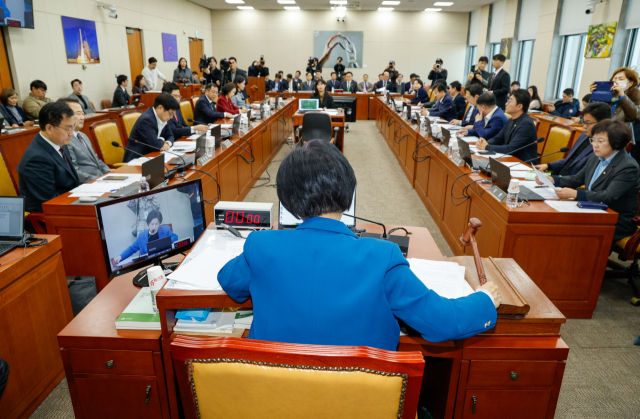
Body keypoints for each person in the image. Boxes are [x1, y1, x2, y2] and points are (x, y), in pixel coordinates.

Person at [218, 140, 500, 351]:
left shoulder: (261, 245)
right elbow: (444, 322)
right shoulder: (383, 255)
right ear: (347, 190)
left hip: (273, 400)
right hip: (361, 404)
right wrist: (485, 298)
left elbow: (229, 282)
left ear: (288, 199)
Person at [540, 120, 640, 245]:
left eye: (600, 141)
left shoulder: (628, 166)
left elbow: (608, 196)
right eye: (593, 140)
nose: (595, 145)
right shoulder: (596, 157)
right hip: (592, 210)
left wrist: (575, 194)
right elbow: (577, 179)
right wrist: (553, 179)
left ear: (616, 142)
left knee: (569, 230)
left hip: (616, 219)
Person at [17, 102, 79, 212]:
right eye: (68, 128)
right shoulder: (36, 159)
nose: (72, 134)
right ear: (49, 128)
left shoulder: (59, 142)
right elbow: (50, 202)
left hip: (68, 203)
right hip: (47, 219)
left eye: (73, 127)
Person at [536, 102, 612, 176]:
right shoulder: (584, 135)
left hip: (571, 185)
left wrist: (556, 180)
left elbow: (583, 178)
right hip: (560, 177)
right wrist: (548, 166)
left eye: (588, 123)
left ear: (602, 123)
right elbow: (571, 160)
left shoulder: (604, 148)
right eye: (583, 122)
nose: (584, 126)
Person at [475, 89, 538, 162]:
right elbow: (497, 139)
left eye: (510, 101)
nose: (506, 104)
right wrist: (484, 142)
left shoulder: (526, 124)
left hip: (523, 165)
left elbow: (510, 149)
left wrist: (487, 147)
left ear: (519, 106)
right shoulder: (510, 121)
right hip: (510, 160)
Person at [57, 97, 110, 183]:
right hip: (89, 183)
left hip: (102, 179)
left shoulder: (83, 135)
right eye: (78, 114)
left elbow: (97, 161)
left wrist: (110, 174)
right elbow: (75, 172)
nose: (82, 117)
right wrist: (99, 180)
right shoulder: (64, 140)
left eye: (82, 113)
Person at [590, 67, 640, 153]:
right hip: (602, 135)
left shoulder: (635, 97)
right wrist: (594, 95)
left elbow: (635, 116)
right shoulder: (608, 96)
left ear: (630, 83)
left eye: (621, 79)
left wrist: (623, 97)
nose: (616, 81)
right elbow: (593, 113)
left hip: (620, 138)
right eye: (614, 79)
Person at [123, 93, 179, 162]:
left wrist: (167, 143)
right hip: (137, 161)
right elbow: (155, 145)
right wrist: (162, 140)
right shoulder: (146, 120)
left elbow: (170, 135)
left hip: (151, 157)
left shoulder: (163, 117)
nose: (171, 117)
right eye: (171, 113)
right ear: (160, 108)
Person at [113, 210, 178, 265]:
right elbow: (132, 249)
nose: (154, 226)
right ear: (148, 224)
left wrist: (163, 242)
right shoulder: (142, 236)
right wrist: (120, 257)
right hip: (149, 264)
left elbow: (175, 238)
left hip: (165, 260)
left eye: (157, 223)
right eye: (152, 224)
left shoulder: (165, 229)